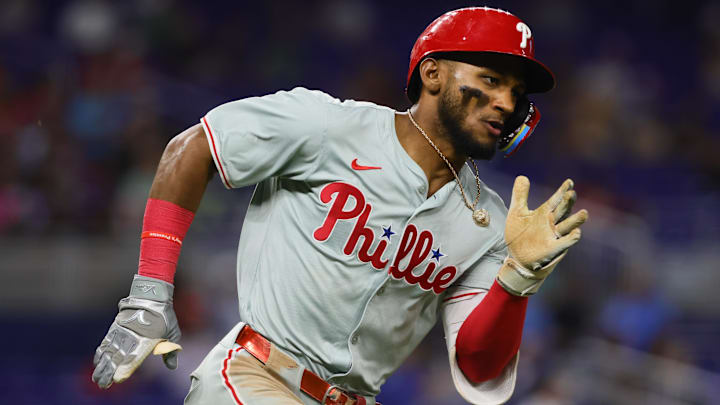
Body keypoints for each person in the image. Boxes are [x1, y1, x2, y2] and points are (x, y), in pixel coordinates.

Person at [92, 7, 588, 405]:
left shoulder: (492, 222)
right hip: (255, 376)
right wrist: (150, 293)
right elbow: (193, 148)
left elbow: (479, 367)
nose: (506, 101)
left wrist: (516, 281)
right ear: (432, 74)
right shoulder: (328, 126)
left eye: (516, 92)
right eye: (491, 78)